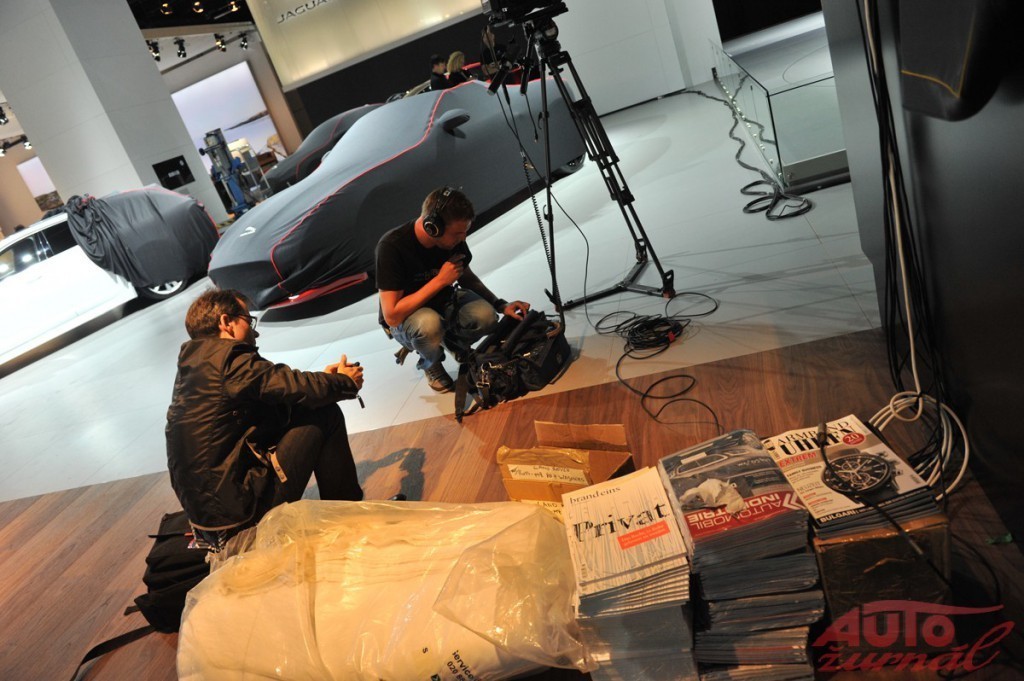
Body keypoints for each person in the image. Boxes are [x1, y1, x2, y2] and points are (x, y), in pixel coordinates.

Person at [165, 288, 365, 551]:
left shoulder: (195, 366)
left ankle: (343, 516)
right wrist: (343, 382)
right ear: (226, 322)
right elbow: (293, 385)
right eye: (248, 321)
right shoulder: (228, 360)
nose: (255, 332)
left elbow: (279, 396)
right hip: (240, 520)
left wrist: (325, 382)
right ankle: (351, 521)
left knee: (309, 409)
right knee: (325, 416)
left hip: (210, 523)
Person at [375, 187, 530, 392]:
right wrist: (440, 281)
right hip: (407, 318)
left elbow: (467, 278)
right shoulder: (392, 246)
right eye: (458, 233)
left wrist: (500, 304)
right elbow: (392, 316)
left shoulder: (451, 242)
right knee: (429, 326)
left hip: (443, 303)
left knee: (486, 317)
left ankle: (451, 342)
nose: (463, 238)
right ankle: (430, 362)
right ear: (433, 228)